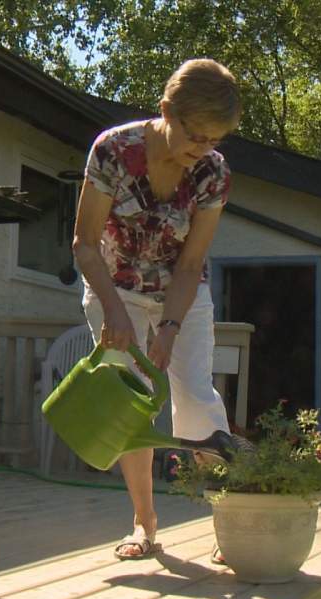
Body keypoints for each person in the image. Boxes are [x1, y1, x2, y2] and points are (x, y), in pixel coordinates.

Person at [72, 58, 241, 560]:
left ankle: (231, 526)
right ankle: (144, 525)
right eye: (195, 135)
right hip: (113, 286)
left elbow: (191, 264)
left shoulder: (213, 173)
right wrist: (115, 313)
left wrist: (168, 326)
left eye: (214, 139)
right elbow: (83, 244)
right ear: (167, 110)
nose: (202, 149)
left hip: (180, 293)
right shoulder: (114, 151)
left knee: (194, 398)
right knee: (129, 403)